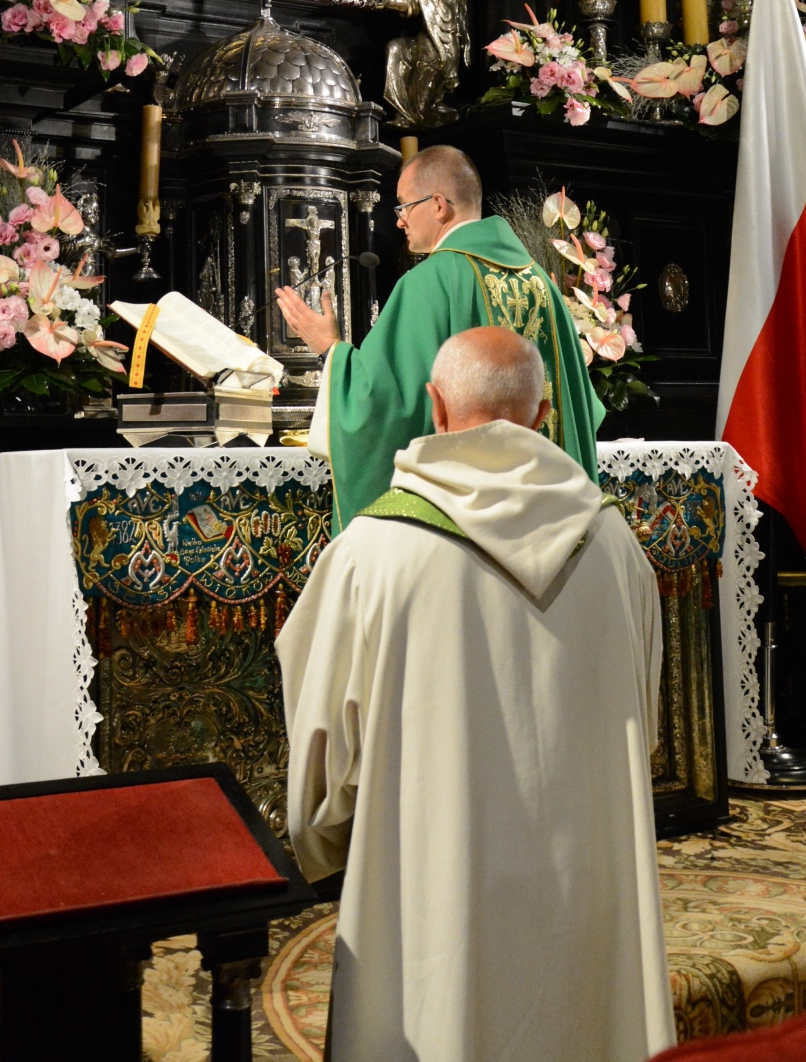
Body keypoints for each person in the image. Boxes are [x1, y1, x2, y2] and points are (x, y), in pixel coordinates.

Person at [276, 326, 675, 1062]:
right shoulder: (616, 545)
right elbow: (641, 723)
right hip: (586, 883)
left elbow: (323, 756)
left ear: (434, 405)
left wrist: (326, 845)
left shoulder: (373, 552)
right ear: (544, 414)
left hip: (431, 890)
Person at [276, 144, 604, 532]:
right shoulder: (541, 284)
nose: (399, 221)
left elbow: (382, 403)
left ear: (437, 205)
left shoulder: (430, 282)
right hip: (553, 515)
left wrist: (330, 349)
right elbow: (582, 408)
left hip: (475, 526)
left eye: (403, 206)